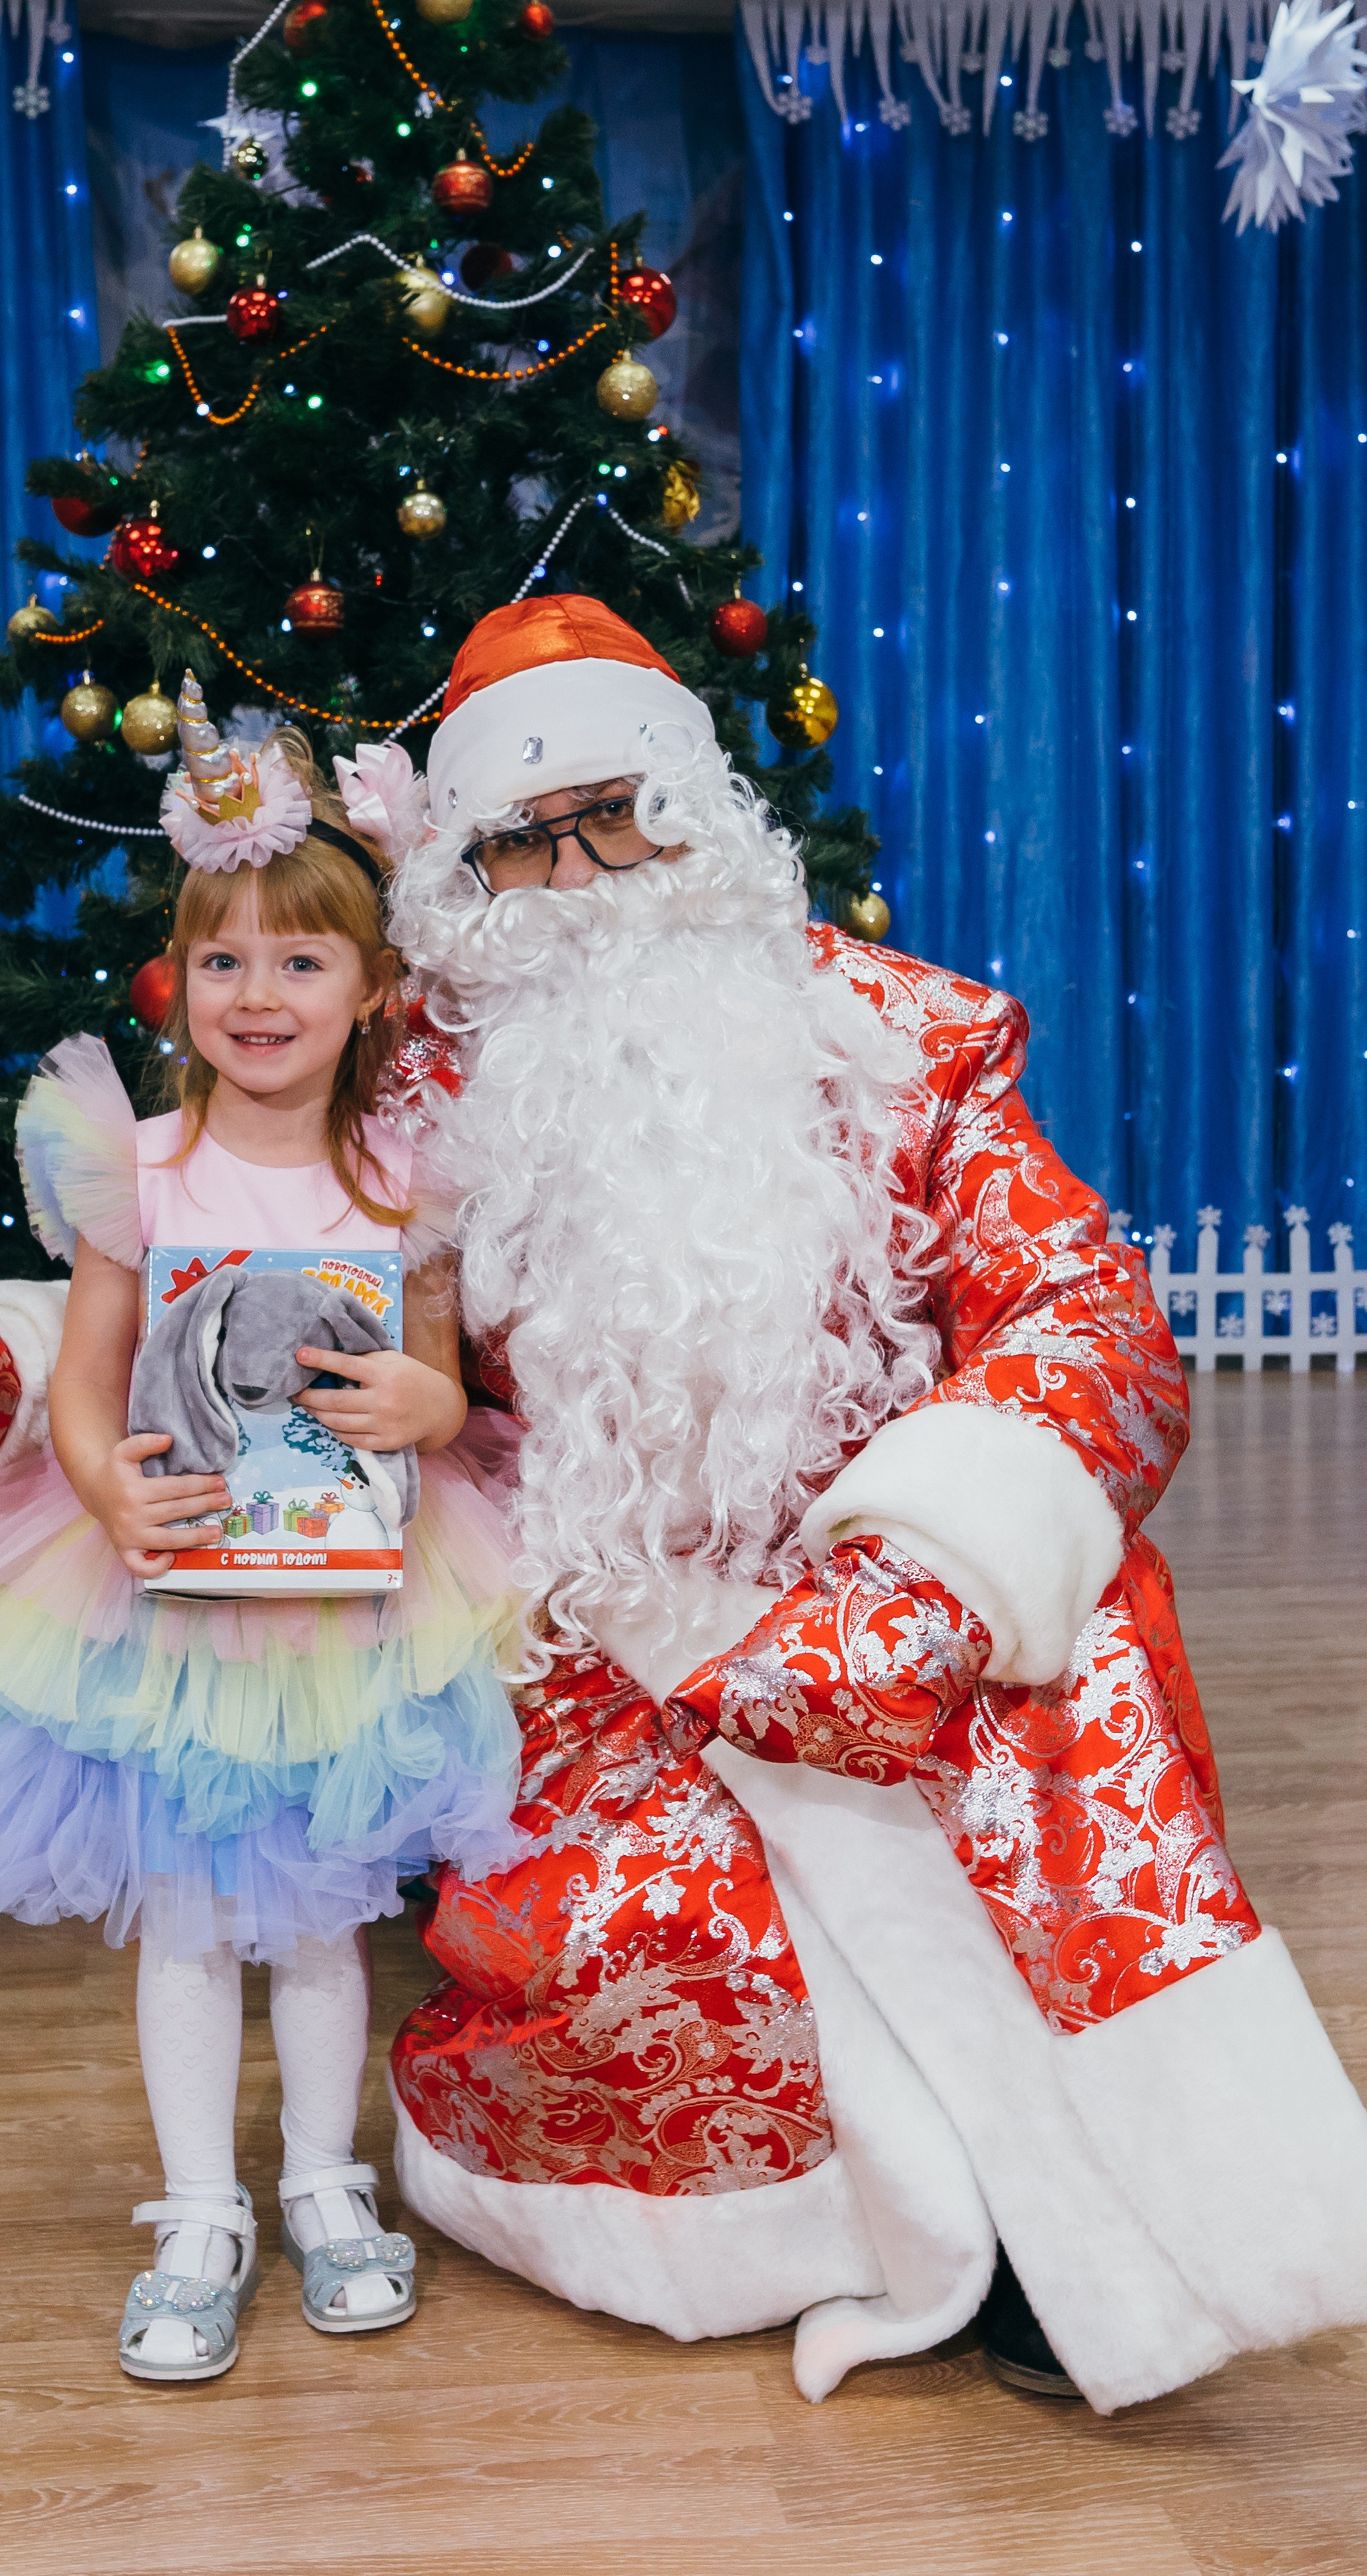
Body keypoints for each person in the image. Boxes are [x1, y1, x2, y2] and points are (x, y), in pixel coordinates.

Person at [378, 593, 1367, 2412]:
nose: (581, 869)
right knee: (646, 1937)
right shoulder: (428, 1090)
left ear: (697, 816)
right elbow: (225, 1250)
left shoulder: (904, 1039)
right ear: (469, 872)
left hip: (891, 1581)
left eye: (615, 813)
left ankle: (1091, 2226)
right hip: (604, 1622)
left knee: (1052, 1755)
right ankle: (921, 2224)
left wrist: (928, 1576)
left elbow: (1090, 1311)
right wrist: (9, 1361)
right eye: (524, 838)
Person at [0, 716, 523, 2382]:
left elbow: (445, 1390)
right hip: (169, 1600)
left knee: (316, 1920)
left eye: (301, 961)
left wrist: (412, 1407)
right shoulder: (137, 1174)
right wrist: (102, 1492)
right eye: (222, 959)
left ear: (368, 992)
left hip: (346, 1606)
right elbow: (87, 1393)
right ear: (179, 984)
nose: (257, 993)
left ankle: (321, 2184)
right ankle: (196, 2211)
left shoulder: (397, 1183)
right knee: (184, 1916)